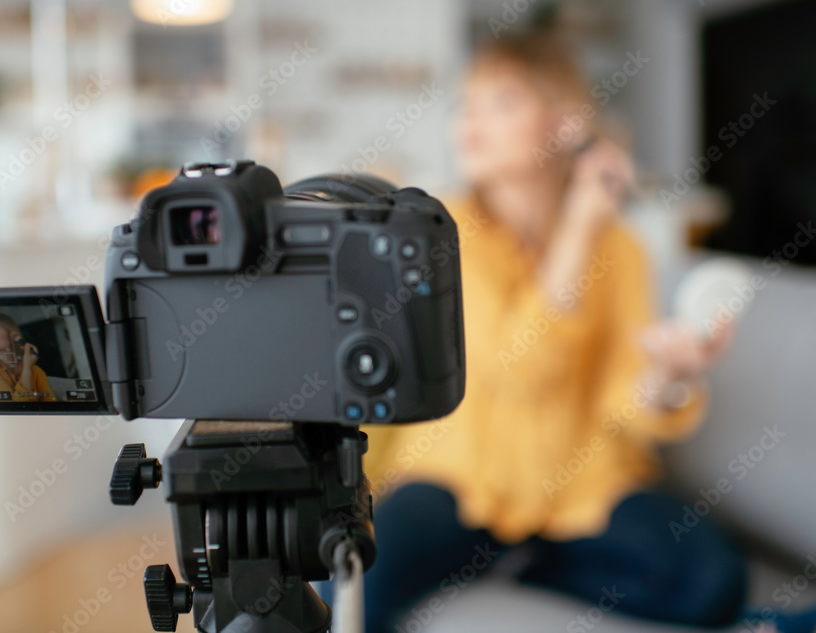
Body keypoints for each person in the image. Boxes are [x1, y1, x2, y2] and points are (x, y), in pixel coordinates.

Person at [345, 34, 814, 633]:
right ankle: (503, 559)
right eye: (467, 104)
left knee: (713, 580)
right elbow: (517, 370)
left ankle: (521, 565)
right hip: (458, 479)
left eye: (503, 102)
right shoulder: (444, 231)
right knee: (360, 577)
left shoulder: (620, 250)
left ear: (566, 126)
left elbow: (626, 402)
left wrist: (667, 379)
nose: (471, 122)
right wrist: (580, 227)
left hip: (583, 485)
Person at [0, 313, 55, 401]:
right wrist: (27, 369)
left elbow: (51, 405)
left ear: (14, 336)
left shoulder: (37, 371)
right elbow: (8, 406)